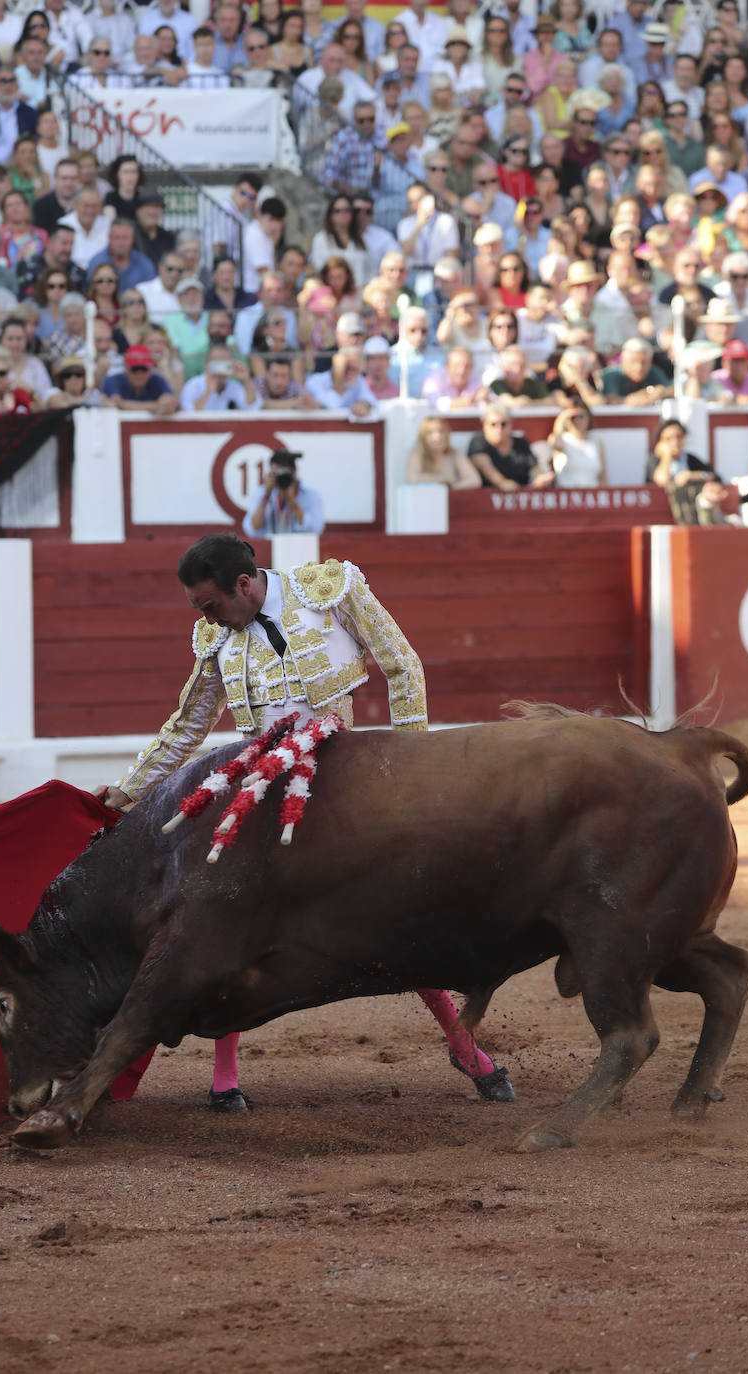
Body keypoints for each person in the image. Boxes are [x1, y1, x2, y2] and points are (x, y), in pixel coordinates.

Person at [96, 532, 514, 1111]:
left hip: (345, 777)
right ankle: (225, 1070)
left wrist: (416, 766)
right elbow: (187, 727)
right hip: (262, 788)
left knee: (397, 908)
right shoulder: (217, 638)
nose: (209, 619)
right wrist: (126, 790)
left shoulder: (328, 590)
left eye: (212, 605)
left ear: (244, 584)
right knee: (224, 904)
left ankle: (461, 1042)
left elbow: (402, 665)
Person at [467, 403, 553, 491]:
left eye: (503, 424)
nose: (499, 429)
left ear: (510, 425)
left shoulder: (521, 443)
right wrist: (502, 482)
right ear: (484, 425)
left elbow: (534, 467)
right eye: (493, 424)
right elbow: (485, 466)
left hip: (520, 499)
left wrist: (539, 479)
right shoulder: (478, 442)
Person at [242, 449, 325, 536]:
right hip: (269, 548)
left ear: (294, 472)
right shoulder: (261, 493)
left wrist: (293, 503)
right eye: (276, 474)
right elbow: (252, 529)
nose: (280, 478)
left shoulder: (311, 496)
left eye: (284, 474)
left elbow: (315, 530)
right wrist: (266, 496)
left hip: (299, 547)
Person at [102, 342, 178, 415]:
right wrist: (156, 406)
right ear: (126, 368)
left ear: (151, 368)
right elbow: (117, 404)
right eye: (134, 369)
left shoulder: (157, 380)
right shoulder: (114, 380)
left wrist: (167, 404)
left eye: (144, 369)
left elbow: (172, 403)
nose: (139, 374)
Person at [405, 414, 480, 487]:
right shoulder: (417, 454)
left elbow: (475, 480)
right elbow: (413, 478)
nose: (438, 437)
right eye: (430, 433)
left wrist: (452, 487)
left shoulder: (454, 455)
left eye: (441, 431)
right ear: (423, 437)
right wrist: (444, 478)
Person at [549, 406, 608, 487]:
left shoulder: (596, 443)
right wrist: (563, 417)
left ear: (588, 419)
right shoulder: (562, 440)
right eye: (573, 418)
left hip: (591, 493)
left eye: (581, 417)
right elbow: (555, 442)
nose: (578, 420)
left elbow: (603, 476)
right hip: (567, 493)